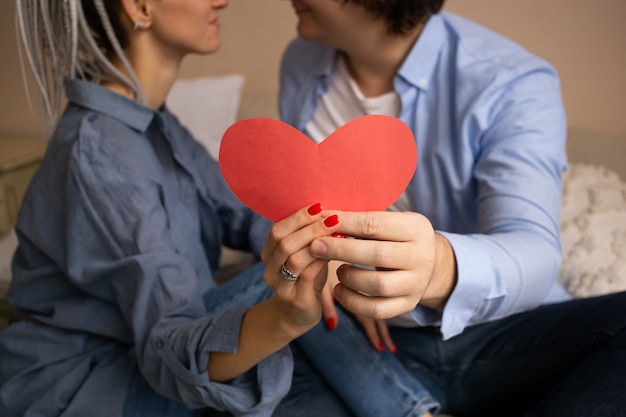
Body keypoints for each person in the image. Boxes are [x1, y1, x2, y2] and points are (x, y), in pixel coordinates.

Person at [277, 1, 626, 416]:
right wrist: (323, 258)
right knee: (248, 345)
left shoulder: (509, 81)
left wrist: (440, 268)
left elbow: (535, 248)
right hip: (367, 342)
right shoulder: (300, 62)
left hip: (504, 336)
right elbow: (284, 205)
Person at [0, 1, 347, 416]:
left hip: (157, 349)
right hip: (85, 382)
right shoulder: (104, 152)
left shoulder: (154, 124)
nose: (222, 1)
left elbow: (244, 213)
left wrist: (325, 247)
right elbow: (172, 340)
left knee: (318, 274)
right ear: (140, 6)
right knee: (304, 269)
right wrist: (297, 296)